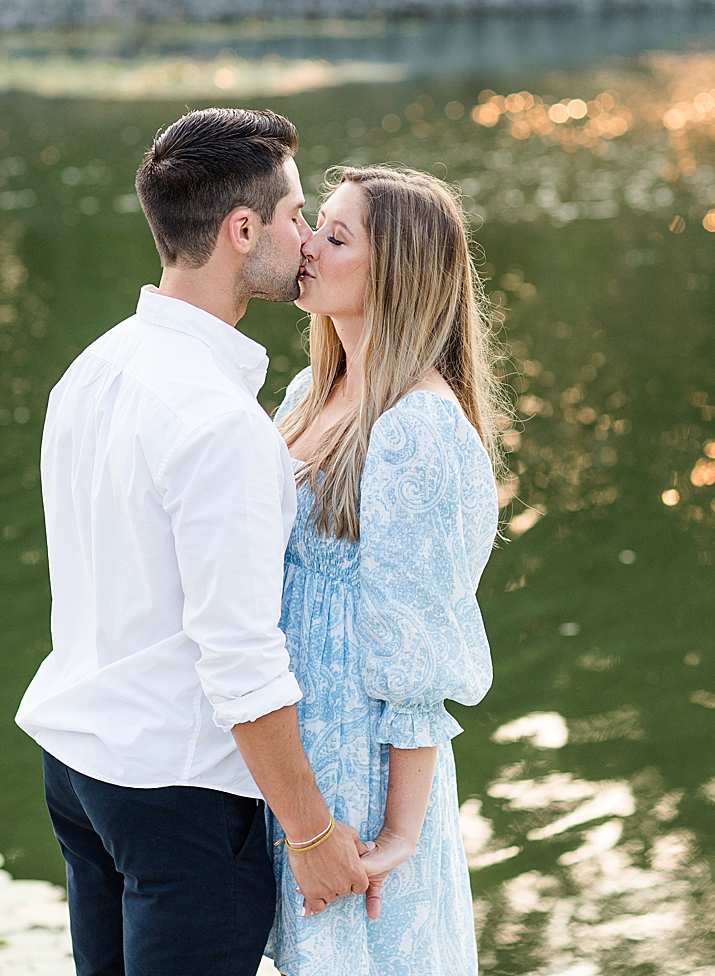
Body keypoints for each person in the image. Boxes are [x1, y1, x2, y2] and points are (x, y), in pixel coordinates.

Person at [15, 108, 367, 976]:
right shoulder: (220, 426)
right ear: (241, 230)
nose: (307, 235)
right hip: (178, 797)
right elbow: (241, 657)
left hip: (80, 769)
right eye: (294, 216)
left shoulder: (95, 367)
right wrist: (313, 832)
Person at [267, 165, 503, 975]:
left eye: (335, 236)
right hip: (293, 749)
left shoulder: (418, 429)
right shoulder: (310, 390)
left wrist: (400, 830)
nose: (306, 245)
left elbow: (416, 648)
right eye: (314, 225)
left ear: (395, 271)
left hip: (355, 766)